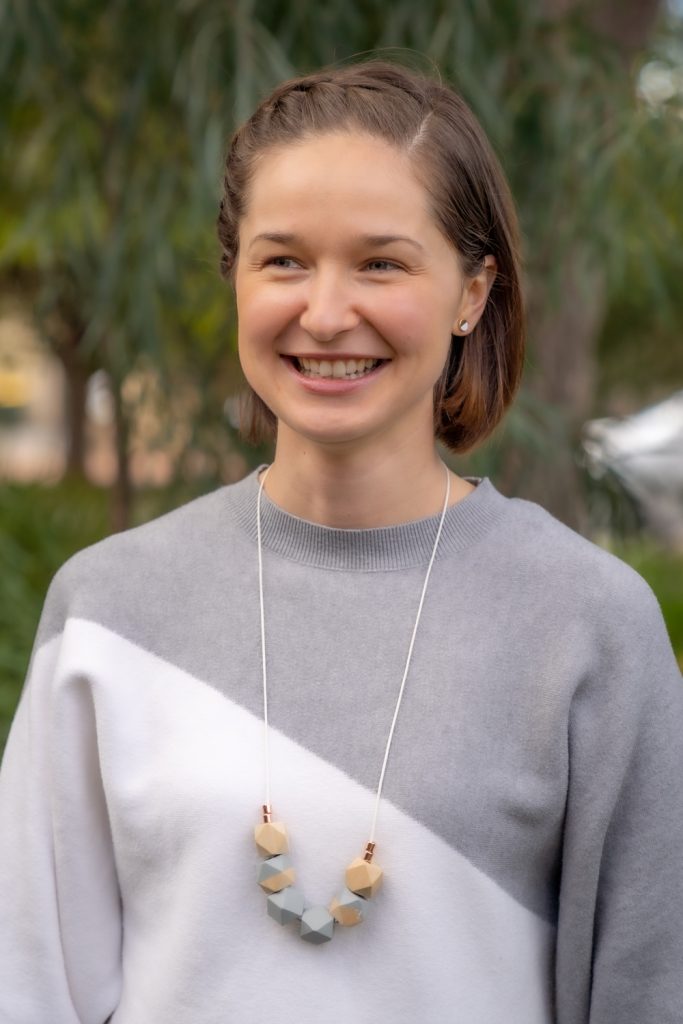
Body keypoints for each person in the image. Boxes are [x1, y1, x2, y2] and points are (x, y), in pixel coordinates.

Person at [0, 60, 681, 1024]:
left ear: (471, 293)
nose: (324, 313)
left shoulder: (590, 626)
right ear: (235, 277)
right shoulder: (110, 606)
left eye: (381, 262)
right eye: (283, 260)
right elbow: (27, 986)